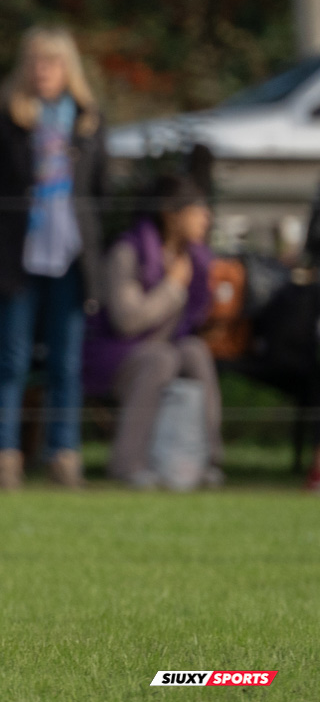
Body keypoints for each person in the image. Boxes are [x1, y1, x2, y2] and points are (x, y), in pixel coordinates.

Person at [0, 26, 106, 490]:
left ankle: (64, 453)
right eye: (36, 62)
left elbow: (100, 193)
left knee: (67, 362)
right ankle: (4, 456)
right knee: (12, 359)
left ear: (69, 69)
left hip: (72, 259)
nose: (44, 71)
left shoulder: (89, 121)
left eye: (53, 62)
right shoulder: (4, 119)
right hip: (16, 258)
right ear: (24, 68)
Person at [84, 175, 223, 488]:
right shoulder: (128, 252)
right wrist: (172, 286)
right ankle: (128, 463)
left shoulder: (196, 259)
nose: (206, 217)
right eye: (198, 210)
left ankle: (208, 461)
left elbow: (194, 318)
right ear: (171, 214)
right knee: (161, 358)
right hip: (111, 354)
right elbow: (127, 321)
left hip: (162, 350)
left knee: (195, 351)